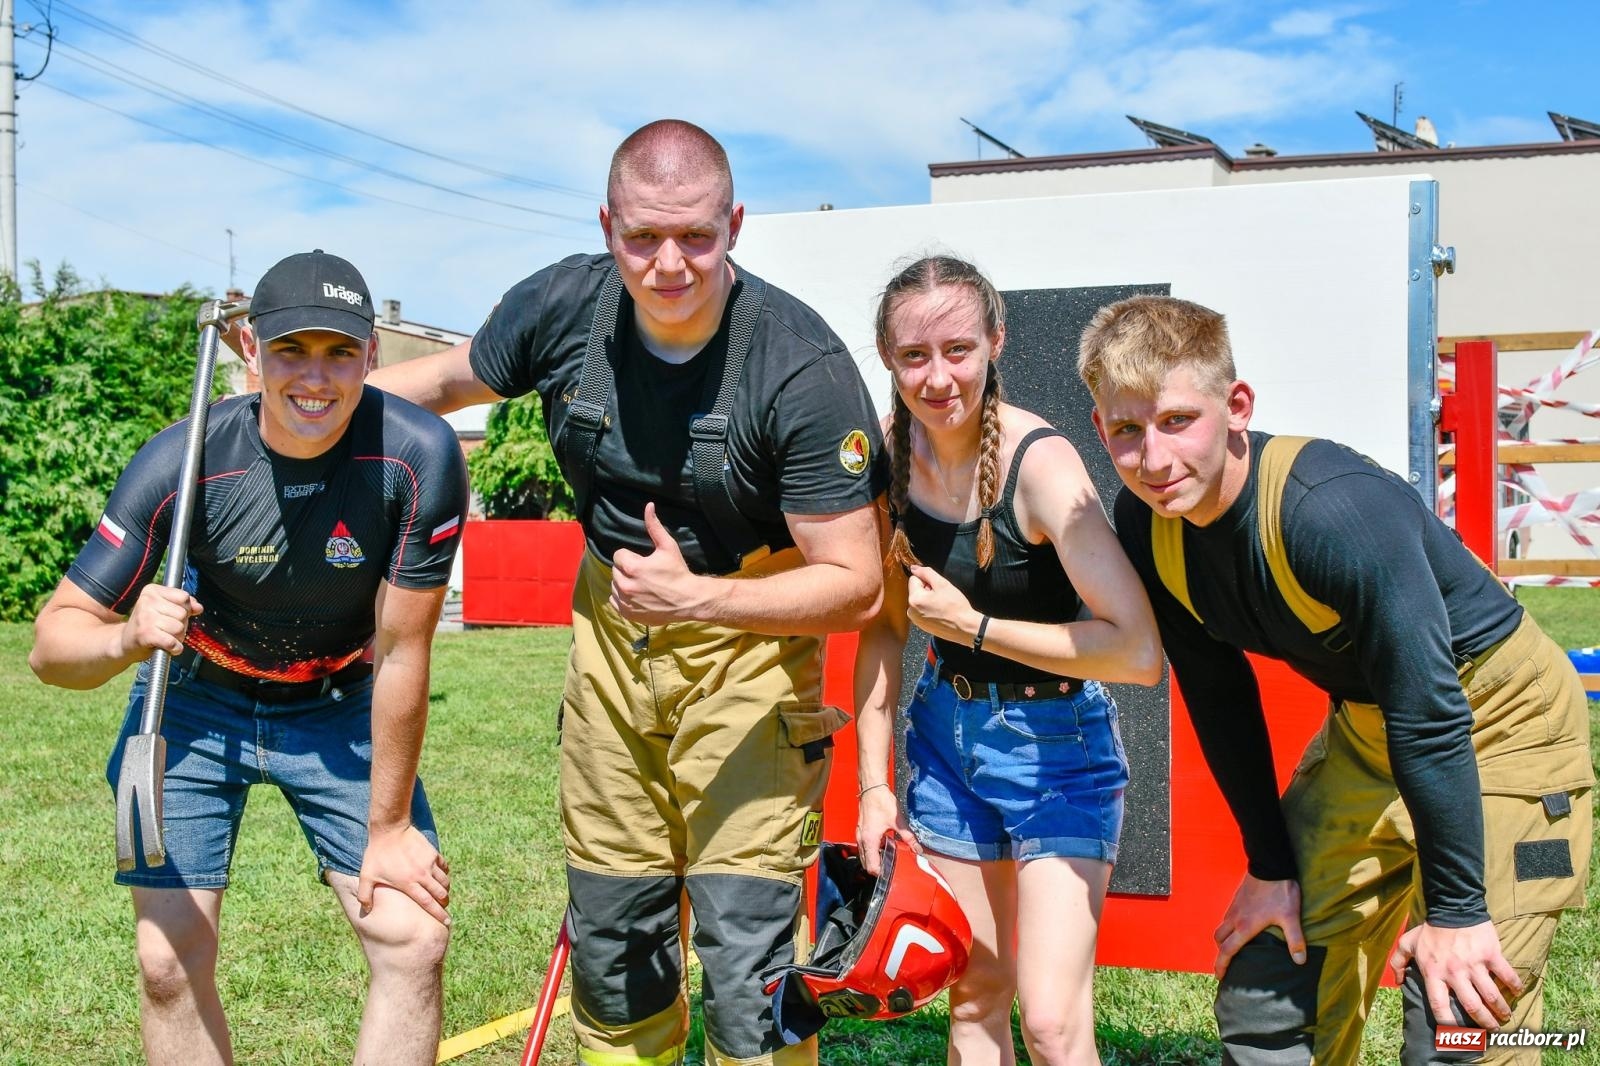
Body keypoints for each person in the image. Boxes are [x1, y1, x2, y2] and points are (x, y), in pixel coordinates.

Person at [367, 119, 886, 1066]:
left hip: (751, 657)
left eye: (696, 236)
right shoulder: (562, 307)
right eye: (643, 237)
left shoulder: (800, 367)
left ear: (735, 225)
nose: (669, 264)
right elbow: (441, 381)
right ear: (607, 226)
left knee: (749, 962)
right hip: (609, 641)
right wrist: (286, 410)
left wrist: (700, 600)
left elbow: (856, 585)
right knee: (616, 947)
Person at [1078, 294, 1593, 1064]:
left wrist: (1456, 913)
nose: (1153, 459)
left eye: (1178, 420)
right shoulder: (1146, 527)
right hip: (1371, 726)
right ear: (1101, 429)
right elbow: (1218, 694)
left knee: (1461, 1019)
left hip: (1501, 719)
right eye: (1128, 430)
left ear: (1237, 406)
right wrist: (1271, 868)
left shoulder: (1332, 511)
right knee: (1267, 978)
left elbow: (1430, 709)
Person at [29, 250, 468, 1066]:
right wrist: (126, 637)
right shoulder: (183, 460)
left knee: (412, 938)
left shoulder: (418, 455)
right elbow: (51, 647)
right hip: (192, 701)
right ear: (248, 348)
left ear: (372, 353)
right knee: (166, 964)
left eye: (340, 351)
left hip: (339, 701)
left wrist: (389, 828)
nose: (316, 377)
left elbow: (404, 651)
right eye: (290, 350)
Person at [852, 256, 1161, 1065]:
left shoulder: (1042, 464)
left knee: (1052, 1023)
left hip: (1060, 750)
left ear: (996, 341)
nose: (938, 377)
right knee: (975, 993)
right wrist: (874, 789)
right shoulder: (884, 457)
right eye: (914, 356)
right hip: (945, 741)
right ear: (887, 358)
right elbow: (884, 630)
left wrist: (975, 627)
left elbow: (1137, 651)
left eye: (958, 349)